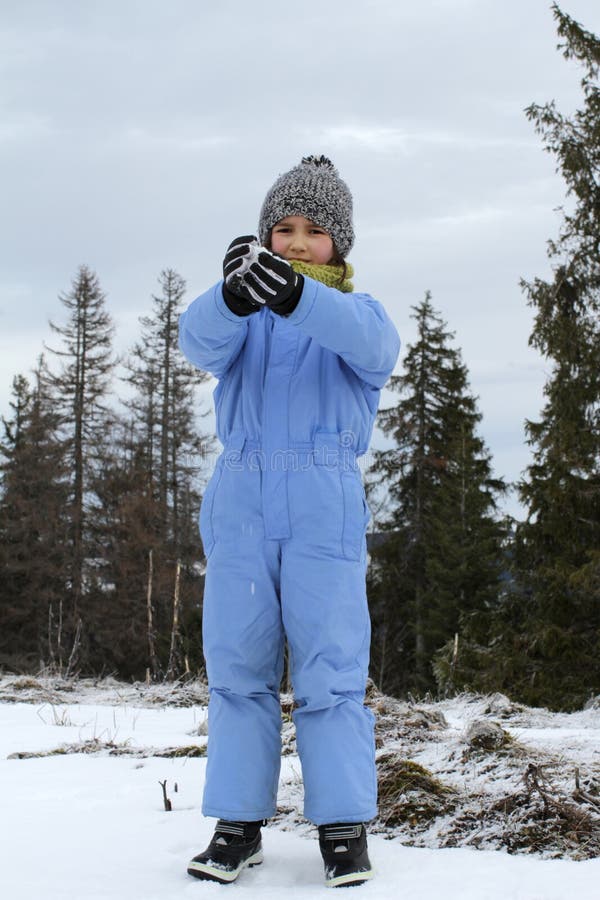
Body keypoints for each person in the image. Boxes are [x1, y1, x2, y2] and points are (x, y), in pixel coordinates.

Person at [178, 155, 400, 888]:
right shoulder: (244, 323)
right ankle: (238, 825)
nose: (297, 241)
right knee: (237, 672)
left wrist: (296, 297)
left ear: (340, 243)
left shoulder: (356, 317)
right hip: (241, 508)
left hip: (322, 510)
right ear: (263, 237)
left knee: (331, 672)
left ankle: (342, 826)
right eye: (282, 229)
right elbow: (197, 341)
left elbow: (375, 349)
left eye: (313, 230)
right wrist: (232, 299)